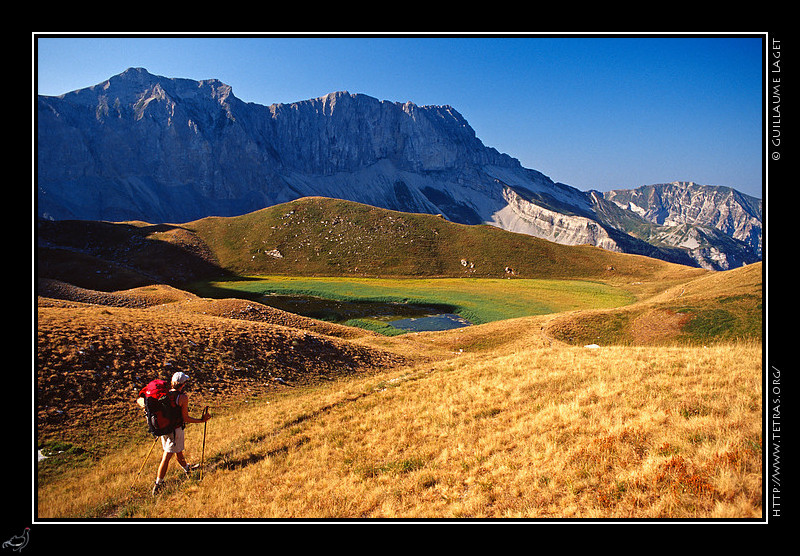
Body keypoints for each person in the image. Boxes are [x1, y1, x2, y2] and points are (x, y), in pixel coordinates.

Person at [152, 371, 211, 495]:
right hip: (176, 430)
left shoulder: (165, 394)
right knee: (166, 457)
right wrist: (201, 420)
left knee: (178, 451)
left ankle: (187, 468)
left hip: (165, 430)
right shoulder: (182, 398)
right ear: (183, 384)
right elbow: (185, 418)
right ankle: (158, 484)